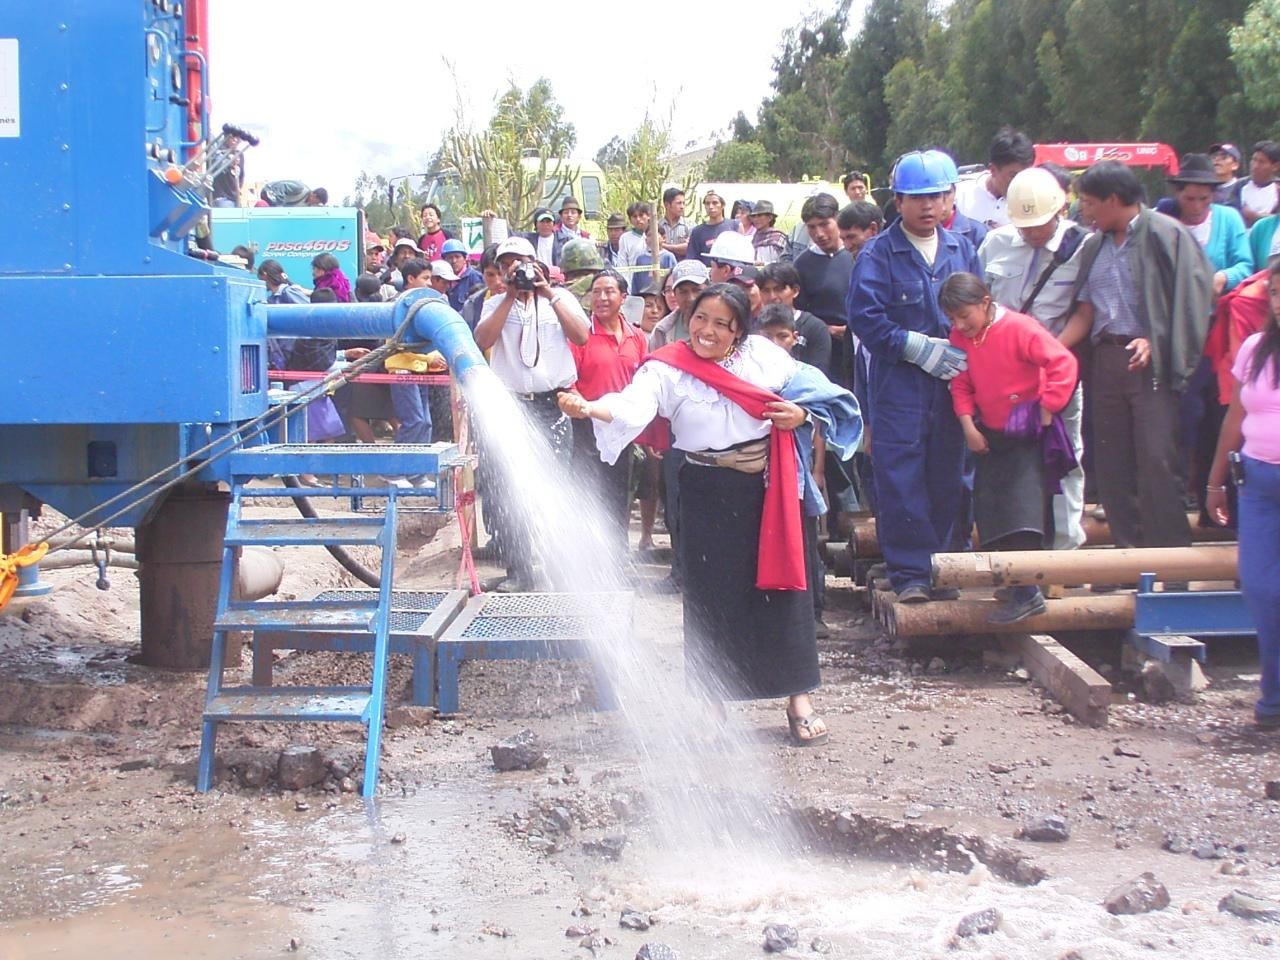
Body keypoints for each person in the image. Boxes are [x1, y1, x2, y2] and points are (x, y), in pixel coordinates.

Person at [558, 284, 862, 745]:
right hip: (704, 488)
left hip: (769, 488)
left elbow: (822, 396)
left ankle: (798, 699)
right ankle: (710, 706)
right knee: (708, 598)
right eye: (701, 318)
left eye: (722, 323)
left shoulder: (763, 357)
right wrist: (590, 407)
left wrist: (799, 414)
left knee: (785, 593)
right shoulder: (668, 367)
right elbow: (631, 405)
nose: (708, 330)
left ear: (739, 330)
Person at [1059, 160, 1215, 551]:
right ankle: (1126, 557)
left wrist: (1155, 340)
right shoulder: (1093, 245)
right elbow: (1085, 310)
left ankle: (1170, 560)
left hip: (1152, 366)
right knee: (1112, 463)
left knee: (1157, 461)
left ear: (1113, 200)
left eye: (1091, 203)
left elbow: (1194, 300)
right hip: (1106, 361)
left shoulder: (1166, 234)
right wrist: (1051, 349)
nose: (1085, 212)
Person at [846, 149, 981, 602]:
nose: (927, 206)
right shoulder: (878, 255)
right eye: (916, 198)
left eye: (936, 197)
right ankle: (910, 575)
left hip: (952, 384)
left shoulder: (964, 248)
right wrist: (913, 346)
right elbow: (864, 317)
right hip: (899, 385)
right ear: (898, 201)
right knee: (901, 474)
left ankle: (946, 566)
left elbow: (983, 308)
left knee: (951, 473)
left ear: (949, 199)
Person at [944, 273, 1078, 622]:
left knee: (1021, 513)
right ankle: (1014, 584)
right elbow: (959, 383)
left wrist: (1049, 404)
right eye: (953, 319)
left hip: (1025, 430)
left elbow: (1063, 362)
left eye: (965, 316)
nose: (960, 325)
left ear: (985, 303)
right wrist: (968, 425)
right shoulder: (960, 337)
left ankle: (1028, 592)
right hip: (990, 434)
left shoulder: (1021, 328)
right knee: (991, 509)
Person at [978, 166, 1090, 549]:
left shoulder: (1081, 247)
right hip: (1004, 379)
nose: (1032, 233)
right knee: (1013, 461)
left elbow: (1086, 310)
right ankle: (1018, 546)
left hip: (1056, 371)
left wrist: (1050, 350)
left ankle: (1065, 549)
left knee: (1065, 456)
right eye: (1025, 226)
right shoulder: (995, 244)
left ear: (1061, 211)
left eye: (1039, 225)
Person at [474, 236, 590, 592]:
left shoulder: (562, 298)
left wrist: (548, 293)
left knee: (554, 486)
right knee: (511, 489)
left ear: (536, 262)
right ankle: (521, 570)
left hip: (552, 405)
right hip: (511, 405)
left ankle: (558, 568)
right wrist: (510, 295)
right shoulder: (494, 302)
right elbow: (482, 340)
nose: (515, 268)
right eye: (508, 262)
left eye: (521, 261)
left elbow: (582, 336)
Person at [1206, 260, 1280, 729]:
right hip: (1256, 484)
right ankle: (1273, 694)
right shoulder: (1254, 348)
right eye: (1275, 293)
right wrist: (1215, 480)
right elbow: (1235, 416)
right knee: (1259, 587)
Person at [564, 270, 649, 552]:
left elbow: (644, 382)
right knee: (586, 492)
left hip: (622, 428)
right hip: (586, 427)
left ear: (623, 297)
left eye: (609, 291)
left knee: (620, 493)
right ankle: (587, 557)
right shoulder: (580, 336)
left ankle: (617, 555)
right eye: (596, 291)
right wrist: (580, 406)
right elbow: (568, 382)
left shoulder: (637, 336)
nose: (601, 297)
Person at [794, 193, 855, 388]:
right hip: (825, 353)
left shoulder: (859, 255)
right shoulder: (802, 264)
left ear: (838, 219)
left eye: (824, 224)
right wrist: (823, 329)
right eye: (812, 227)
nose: (819, 233)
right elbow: (797, 313)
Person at [954, 126, 1036, 229]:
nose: (1020, 182)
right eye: (1013, 175)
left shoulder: (1033, 203)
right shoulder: (960, 197)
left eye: (1025, 174)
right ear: (993, 170)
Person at [757, 262, 833, 373]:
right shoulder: (752, 325)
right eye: (766, 290)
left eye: (779, 289)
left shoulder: (815, 327)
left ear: (795, 291)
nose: (772, 297)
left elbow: (819, 372)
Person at [1228, 141, 1280, 227]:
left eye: (1261, 162)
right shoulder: (1240, 185)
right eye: (1254, 160)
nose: (1255, 166)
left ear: (1275, 166)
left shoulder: (1278, 189)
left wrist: (1256, 216)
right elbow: (1230, 213)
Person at [687, 191, 736, 264]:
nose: (711, 207)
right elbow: (691, 257)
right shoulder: (698, 231)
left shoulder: (735, 225)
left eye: (715, 203)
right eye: (707, 203)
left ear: (722, 205)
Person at [442, 239, 484, 311]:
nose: (454, 261)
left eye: (457, 257)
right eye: (450, 257)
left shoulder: (474, 277)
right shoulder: (442, 279)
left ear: (465, 259)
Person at [617, 201, 654, 269]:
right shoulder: (625, 238)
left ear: (648, 216)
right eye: (634, 216)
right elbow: (622, 264)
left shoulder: (656, 235)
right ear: (630, 220)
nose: (638, 219)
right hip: (633, 277)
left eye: (641, 215)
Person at [659, 187, 691, 258]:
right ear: (667, 205)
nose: (682, 207)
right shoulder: (657, 226)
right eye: (679, 203)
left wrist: (662, 245)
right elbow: (653, 248)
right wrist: (679, 247)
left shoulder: (689, 225)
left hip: (683, 267)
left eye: (683, 203)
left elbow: (689, 248)